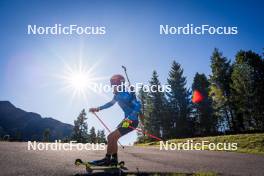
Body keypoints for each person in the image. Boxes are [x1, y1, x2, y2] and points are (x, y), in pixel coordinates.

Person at [89, 74, 142, 166]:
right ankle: (113, 160)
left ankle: (107, 159)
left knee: (111, 137)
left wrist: (130, 117)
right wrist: (98, 108)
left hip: (131, 121)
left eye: (114, 85)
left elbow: (138, 105)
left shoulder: (125, 94)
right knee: (112, 137)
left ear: (119, 84)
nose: (112, 87)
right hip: (127, 121)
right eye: (112, 85)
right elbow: (110, 104)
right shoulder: (118, 95)